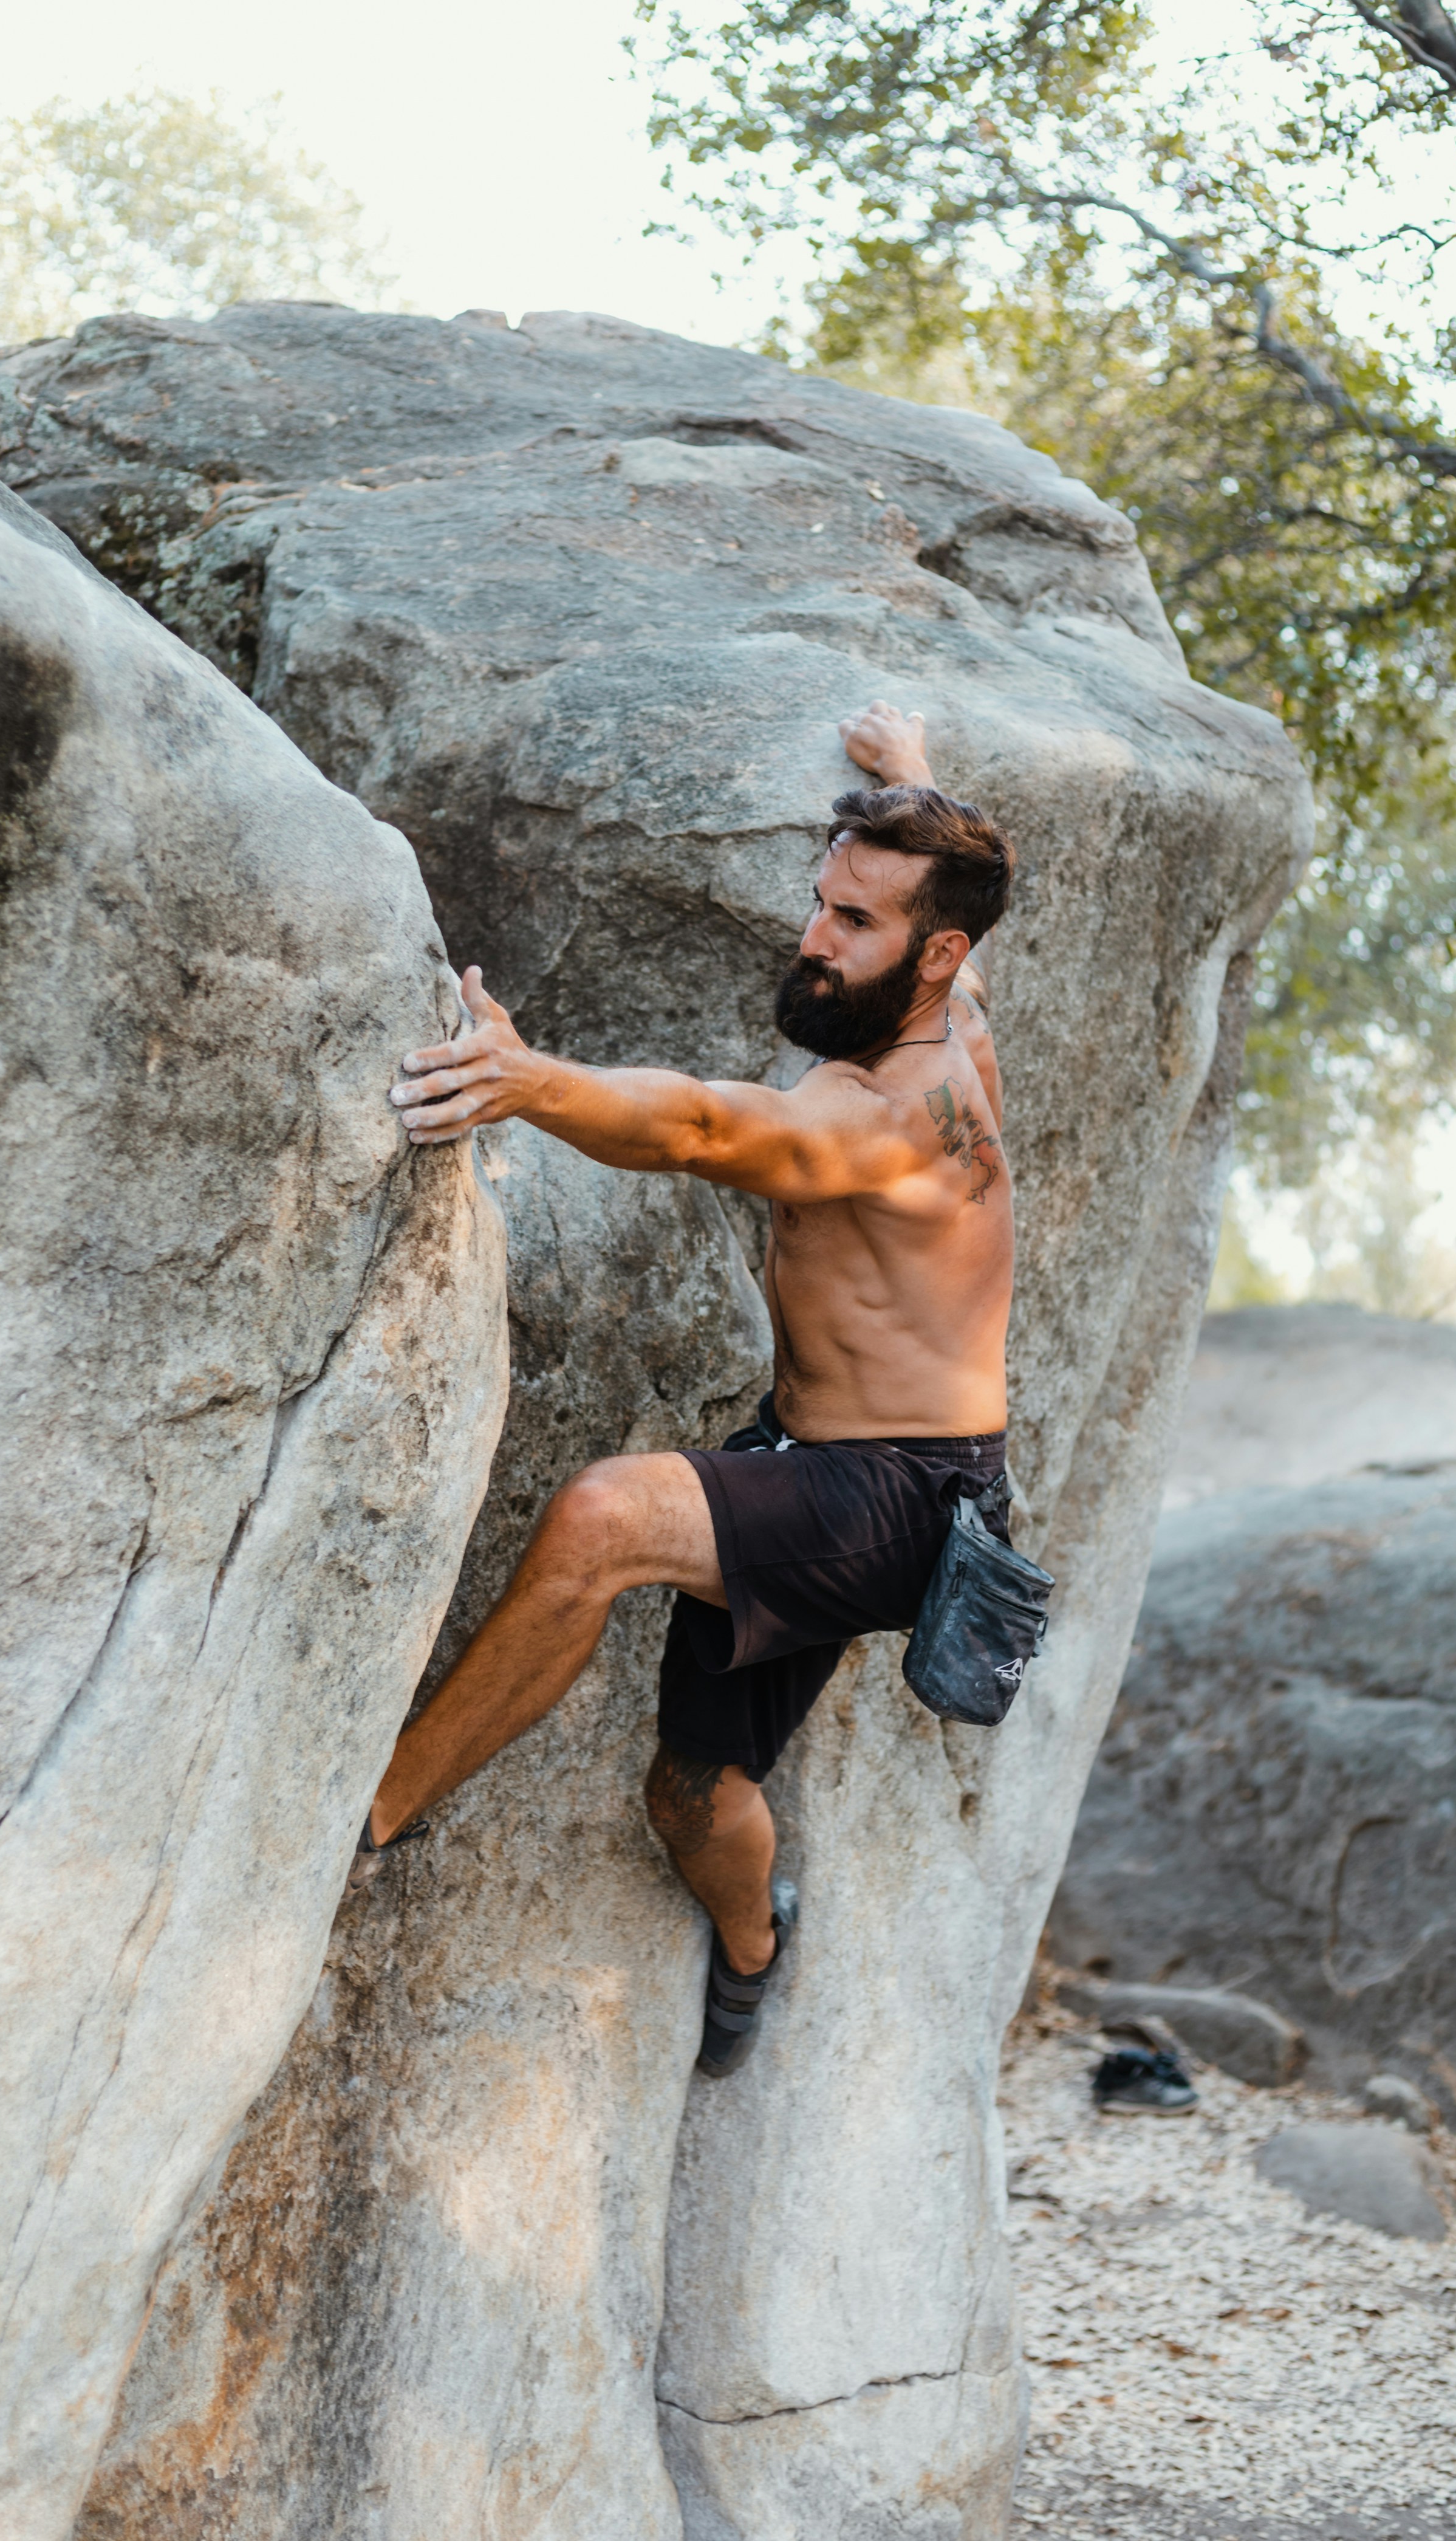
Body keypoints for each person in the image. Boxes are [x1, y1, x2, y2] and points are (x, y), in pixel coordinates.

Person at [355, 701, 1017, 2077]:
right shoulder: (956, 995)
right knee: (691, 1789)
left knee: (609, 1518)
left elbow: (714, 1125)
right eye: (821, 906)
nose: (814, 941)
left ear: (933, 954)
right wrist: (911, 781)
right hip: (815, 1459)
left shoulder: (897, 1112)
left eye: (854, 924)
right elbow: (933, 892)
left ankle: (366, 1819)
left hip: (897, 1496)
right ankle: (751, 1946)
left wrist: (527, 1080)